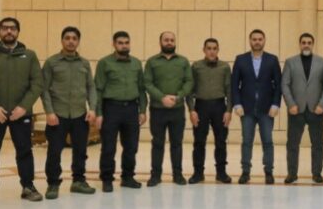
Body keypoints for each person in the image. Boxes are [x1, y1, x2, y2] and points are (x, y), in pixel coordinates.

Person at [0, 17, 44, 206]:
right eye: (5, 28)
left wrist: (23, 107)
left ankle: (28, 187)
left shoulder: (30, 55)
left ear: (18, 31)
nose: (9, 31)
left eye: (13, 28)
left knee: (24, 150)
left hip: (21, 114)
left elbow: (37, 83)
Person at [41, 26, 98, 199]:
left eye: (74, 38)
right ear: (62, 40)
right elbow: (44, 89)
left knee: (80, 151)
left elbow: (91, 87)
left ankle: (78, 181)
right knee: (54, 152)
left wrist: (92, 108)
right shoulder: (51, 62)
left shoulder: (84, 63)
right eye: (67, 38)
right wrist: (49, 112)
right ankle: (53, 184)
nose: (71, 41)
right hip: (57, 116)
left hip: (80, 115)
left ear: (78, 41)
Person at [95, 31, 147, 192]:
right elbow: (98, 89)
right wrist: (98, 113)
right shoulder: (104, 63)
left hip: (131, 109)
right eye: (120, 43)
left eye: (126, 42)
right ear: (114, 44)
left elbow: (141, 89)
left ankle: (128, 177)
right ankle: (107, 179)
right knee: (108, 147)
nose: (124, 46)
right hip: (111, 109)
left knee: (131, 146)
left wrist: (142, 110)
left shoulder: (136, 63)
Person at [231, 29, 282, 185]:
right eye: (254, 39)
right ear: (250, 41)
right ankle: (245, 172)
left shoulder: (272, 60)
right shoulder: (240, 59)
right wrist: (237, 103)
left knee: (268, 141)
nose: (257, 42)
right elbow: (234, 85)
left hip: (267, 109)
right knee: (247, 141)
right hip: (246, 109)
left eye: (260, 39)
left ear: (264, 41)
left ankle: (269, 172)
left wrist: (276, 104)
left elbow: (278, 85)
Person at [144, 31, 193, 187]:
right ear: (160, 42)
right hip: (157, 109)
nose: (169, 42)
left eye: (172, 40)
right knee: (157, 143)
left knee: (176, 144)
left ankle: (177, 175)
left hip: (177, 109)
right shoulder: (152, 62)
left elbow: (189, 82)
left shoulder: (183, 61)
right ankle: (155, 175)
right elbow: (147, 83)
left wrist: (178, 97)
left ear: (175, 42)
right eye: (166, 40)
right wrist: (162, 98)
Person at [282, 33, 323, 184]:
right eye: (303, 42)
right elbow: (285, 85)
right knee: (292, 144)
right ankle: (292, 173)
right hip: (296, 110)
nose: (306, 45)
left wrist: (322, 105)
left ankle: (317, 173)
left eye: (309, 42)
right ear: (299, 44)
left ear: (313, 44)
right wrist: (291, 104)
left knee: (318, 144)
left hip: (316, 110)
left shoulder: (322, 62)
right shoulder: (290, 62)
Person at [187, 38, 233, 184]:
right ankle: (198, 173)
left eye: (214, 48)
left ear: (218, 50)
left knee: (221, 141)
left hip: (219, 106)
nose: (212, 51)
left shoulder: (225, 67)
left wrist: (229, 110)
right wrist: (192, 110)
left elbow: (229, 90)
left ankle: (221, 173)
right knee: (199, 141)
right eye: (209, 48)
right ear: (204, 50)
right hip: (201, 106)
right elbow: (189, 90)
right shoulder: (196, 66)